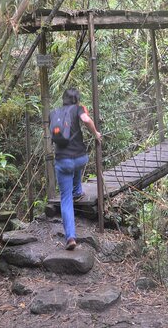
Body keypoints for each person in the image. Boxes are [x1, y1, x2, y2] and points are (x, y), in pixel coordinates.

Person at [51, 88, 102, 250]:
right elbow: (86, 120)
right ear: (77, 99)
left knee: (66, 199)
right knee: (76, 164)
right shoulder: (78, 109)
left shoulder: (54, 112)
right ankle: (78, 190)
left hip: (62, 160)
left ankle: (71, 237)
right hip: (80, 158)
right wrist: (95, 134)